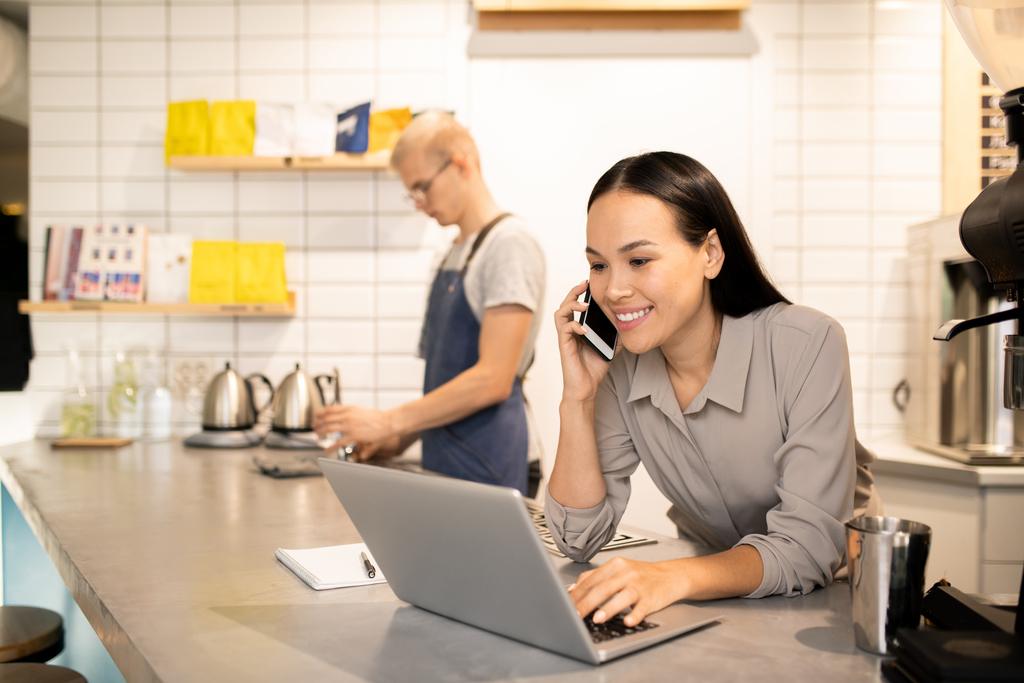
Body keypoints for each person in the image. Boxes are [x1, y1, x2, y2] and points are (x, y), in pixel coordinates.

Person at [547, 151, 878, 628]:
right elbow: (577, 538)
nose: (614, 289)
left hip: (837, 602)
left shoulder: (808, 343)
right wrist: (577, 400)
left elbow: (809, 547)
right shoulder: (621, 369)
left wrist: (670, 578)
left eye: (638, 260)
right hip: (721, 599)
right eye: (598, 266)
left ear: (710, 254)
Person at [314, 111, 545, 495]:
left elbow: (493, 379)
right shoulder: (450, 252)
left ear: (461, 164)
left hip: (494, 460)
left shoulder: (508, 244)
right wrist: (398, 439)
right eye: (412, 193)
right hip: (447, 459)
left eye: (423, 187)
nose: (419, 203)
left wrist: (389, 421)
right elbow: (448, 384)